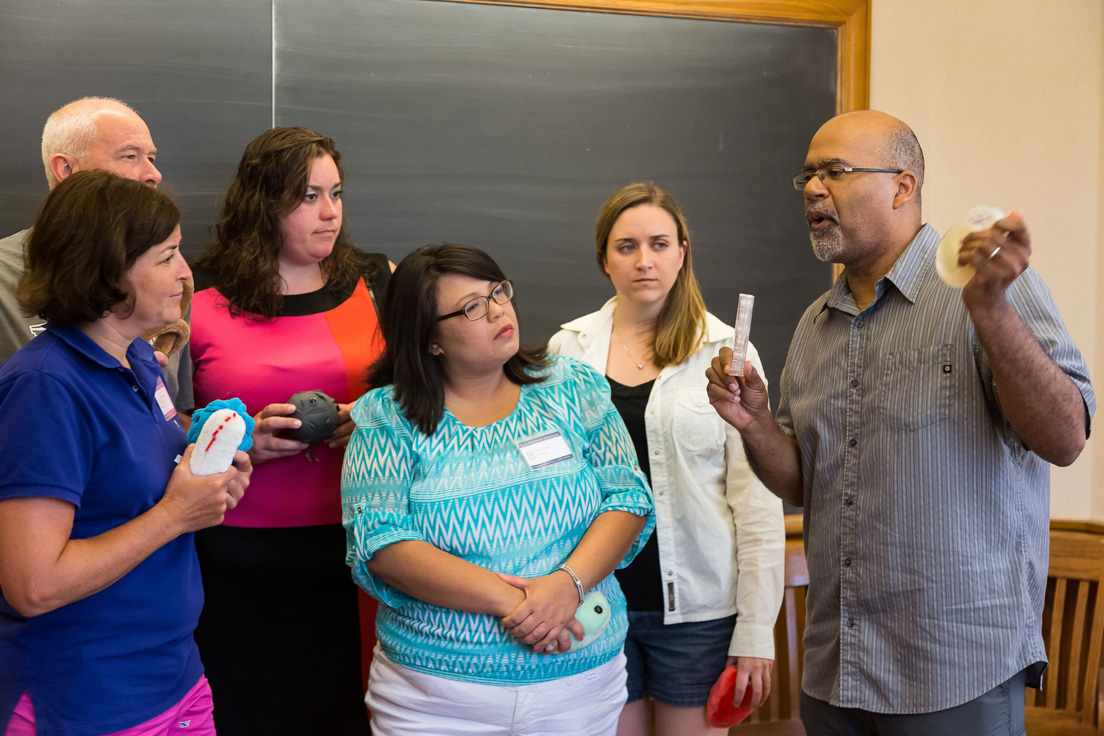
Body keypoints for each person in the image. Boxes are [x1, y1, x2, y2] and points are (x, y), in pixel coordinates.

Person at [706, 110, 1095, 735]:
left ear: (902, 186)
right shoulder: (814, 325)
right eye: (808, 175)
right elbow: (808, 483)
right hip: (838, 667)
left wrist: (990, 311)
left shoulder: (991, 289)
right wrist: (751, 423)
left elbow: (1065, 437)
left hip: (954, 667)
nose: (813, 188)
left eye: (835, 171)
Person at [342, 242, 655, 735]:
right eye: (472, 308)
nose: (498, 311)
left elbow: (628, 497)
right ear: (431, 339)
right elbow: (380, 544)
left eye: (497, 292)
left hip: (578, 686)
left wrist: (566, 585)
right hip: (435, 700)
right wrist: (524, 605)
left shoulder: (571, 386)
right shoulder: (387, 418)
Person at [0, 170, 251, 736]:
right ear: (109, 272)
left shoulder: (138, 360)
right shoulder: (44, 386)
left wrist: (206, 484)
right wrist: (174, 515)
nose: (186, 274)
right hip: (86, 697)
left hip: (173, 677)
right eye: (167, 257)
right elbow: (34, 585)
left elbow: (136, 489)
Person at [547, 181, 785, 735]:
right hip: (594, 603)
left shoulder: (728, 355)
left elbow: (757, 506)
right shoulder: (565, 352)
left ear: (682, 253)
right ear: (604, 258)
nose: (644, 260)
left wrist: (754, 634)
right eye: (626, 246)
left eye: (659, 244)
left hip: (698, 614)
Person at [185, 126, 391, 734]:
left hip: (360, 548)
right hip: (234, 560)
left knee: (347, 713)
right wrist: (243, 440)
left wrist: (376, 416)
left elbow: (431, 388)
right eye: (307, 197)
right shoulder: (193, 294)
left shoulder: (375, 281)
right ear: (263, 203)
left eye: (336, 193)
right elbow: (157, 422)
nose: (330, 213)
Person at [0, 97, 192, 403]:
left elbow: (172, 414)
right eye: (129, 156)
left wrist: (216, 438)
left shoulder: (167, 278)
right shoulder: (3, 278)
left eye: (152, 159)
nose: (152, 174)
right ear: (66, 169)